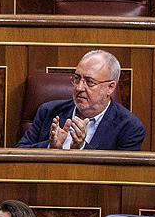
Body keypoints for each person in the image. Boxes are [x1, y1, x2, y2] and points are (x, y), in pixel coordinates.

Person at [17, 50, 145, 151]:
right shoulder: (48, 111)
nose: (79, 88)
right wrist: (51, 148)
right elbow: (19, 153)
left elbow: (120, 176)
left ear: (110, 87)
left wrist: (82, 148)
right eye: (77, 78)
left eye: (89, 82)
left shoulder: (129, 127)